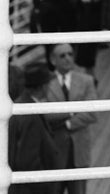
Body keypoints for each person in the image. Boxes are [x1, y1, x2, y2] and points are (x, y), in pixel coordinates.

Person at [45, 44, 98, 194]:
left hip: (79, 151)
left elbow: (92, 113)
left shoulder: (86, 81)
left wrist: (66, 123)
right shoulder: (46, 84)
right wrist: (74, 110)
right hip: (54, 151)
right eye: (62, 55)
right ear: (53, 60)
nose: (68, 58)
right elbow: (44, 115)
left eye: (70, 54)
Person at [8, 62, 60, 193]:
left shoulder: (21, 104)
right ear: (43, 86)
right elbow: (27, 162)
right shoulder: (30, 114)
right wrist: (47, 188)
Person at [73, 0, 103, 78]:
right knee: (82, 53)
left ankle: (90, 80)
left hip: (90, 22)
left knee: (87, 54)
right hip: (80, 20)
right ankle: (90, 79)